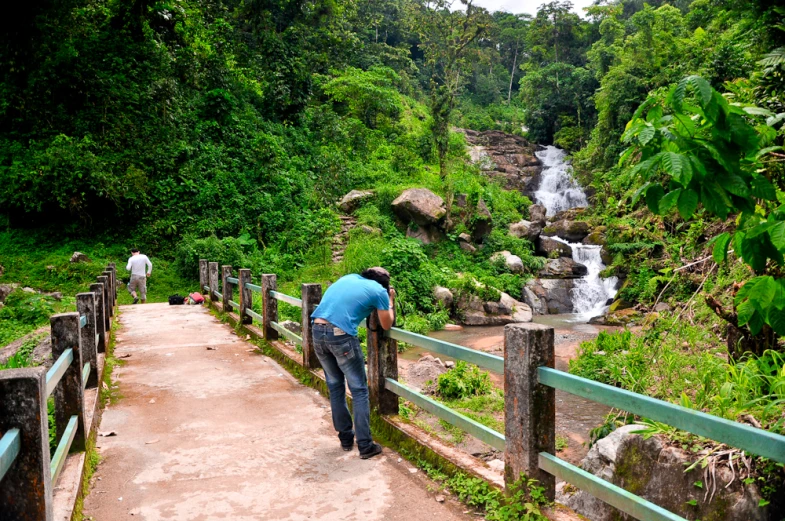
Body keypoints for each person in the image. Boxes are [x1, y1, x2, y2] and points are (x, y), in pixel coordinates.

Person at [310, 267, 396, 459]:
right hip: (340, 336)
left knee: (335, 387)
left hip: (316, 330)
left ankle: (346, 439)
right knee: (358, 390)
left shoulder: (348, 277)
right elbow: (386, 324)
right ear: (385, 284)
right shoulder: (380, 291)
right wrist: (389, 301)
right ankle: (365, 445)